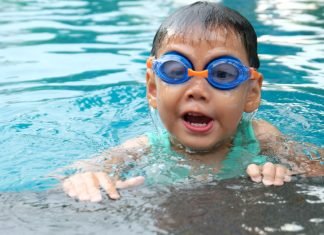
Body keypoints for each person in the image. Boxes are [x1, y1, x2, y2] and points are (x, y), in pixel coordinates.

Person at [63, 1, 323, 202]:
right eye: (176, 71)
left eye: (222, 74)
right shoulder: (145, 148)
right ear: (153, 87)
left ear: (251, 93)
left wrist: (284, 174)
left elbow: (315, 169)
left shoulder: (259, 136)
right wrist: (86, 179)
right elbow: (83, 171)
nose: (197, 91)